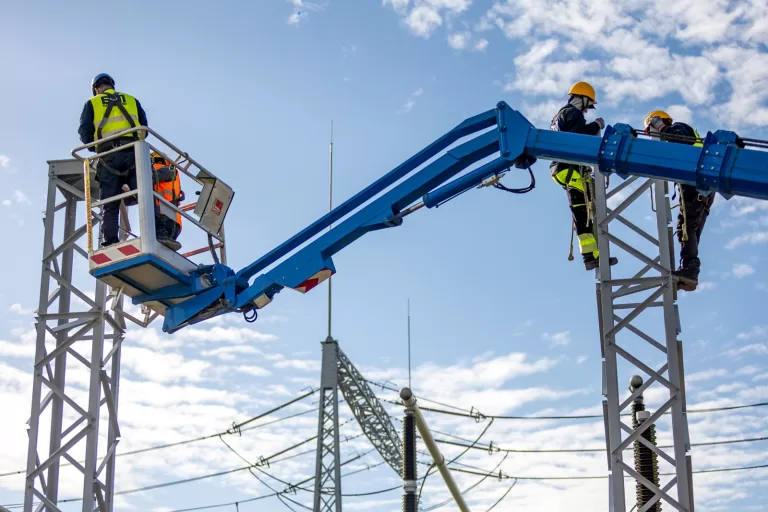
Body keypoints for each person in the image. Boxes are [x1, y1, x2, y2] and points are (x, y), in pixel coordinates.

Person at [644, 111, 714, 292]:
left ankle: (689, 270)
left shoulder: (678, 128)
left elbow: (679, 137)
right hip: (701, 186)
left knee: (686, 227)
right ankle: (689, 271)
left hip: (696, 184)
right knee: (691, 229)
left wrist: (660, 126)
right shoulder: (678, 143)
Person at [550, 81, 617, 271]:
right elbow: (577, 138)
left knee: (587, 211)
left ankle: (594, 254)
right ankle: (590, 256)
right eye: (589, 105)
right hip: (569, 168)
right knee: (582, 213)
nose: (588, 110)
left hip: (565, 169)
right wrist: (595, 126)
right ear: (582, 98)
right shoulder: (572, 113)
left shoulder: (560, 116)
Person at [78, 73, 147, 248]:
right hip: (134, 152)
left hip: (108, 155)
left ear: (96, 89)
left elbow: (84, 132)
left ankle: (110, 241)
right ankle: (155, 232)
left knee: (109, 201)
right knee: (145, 194)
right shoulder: (131, 100)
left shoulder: (92, 103)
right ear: (112, 85)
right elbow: (144, 128)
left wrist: (96, 148)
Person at [151, 152, 184, 251]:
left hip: (162, 217)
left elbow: (147, 178)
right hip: (174, 221)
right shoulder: (172, 172)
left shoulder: (163, 170)